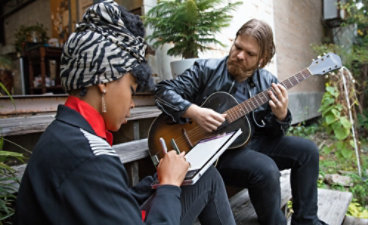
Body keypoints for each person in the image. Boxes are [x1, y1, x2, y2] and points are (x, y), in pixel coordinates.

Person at [14, 1, 236, 224]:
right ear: (104, 80)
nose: (132, 104)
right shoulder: (90, 158)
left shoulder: (67, 133)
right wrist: (168, 186)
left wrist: (161, 178)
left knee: (206, 176)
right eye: (131, 90)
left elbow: (110, 200)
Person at [155, 19, 328, 225]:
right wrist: (193, 111)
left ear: (262, 60)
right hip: (213, 151)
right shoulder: (205, 70)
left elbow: (274, 134)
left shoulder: (267, 82)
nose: (239, 56)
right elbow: (163, 91)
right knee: (265, 168)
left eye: (250, 54)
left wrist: (280, 116)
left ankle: (307, 220)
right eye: (238, 47)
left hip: (250, 143)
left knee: (307, 150)